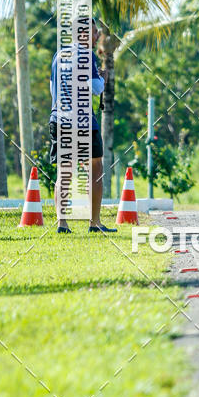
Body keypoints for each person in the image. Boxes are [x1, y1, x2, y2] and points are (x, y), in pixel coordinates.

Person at [49, 16, 116, 234]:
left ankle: (62, 223)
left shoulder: (59, 55)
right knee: (95, 170)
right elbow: (96, 88)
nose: (97, 36)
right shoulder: (87, 55)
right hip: (83, 122)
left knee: (64, 172)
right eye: (94, 32)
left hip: (59, 119)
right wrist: (103, 78)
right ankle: (94, 223)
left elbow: (53, 88)